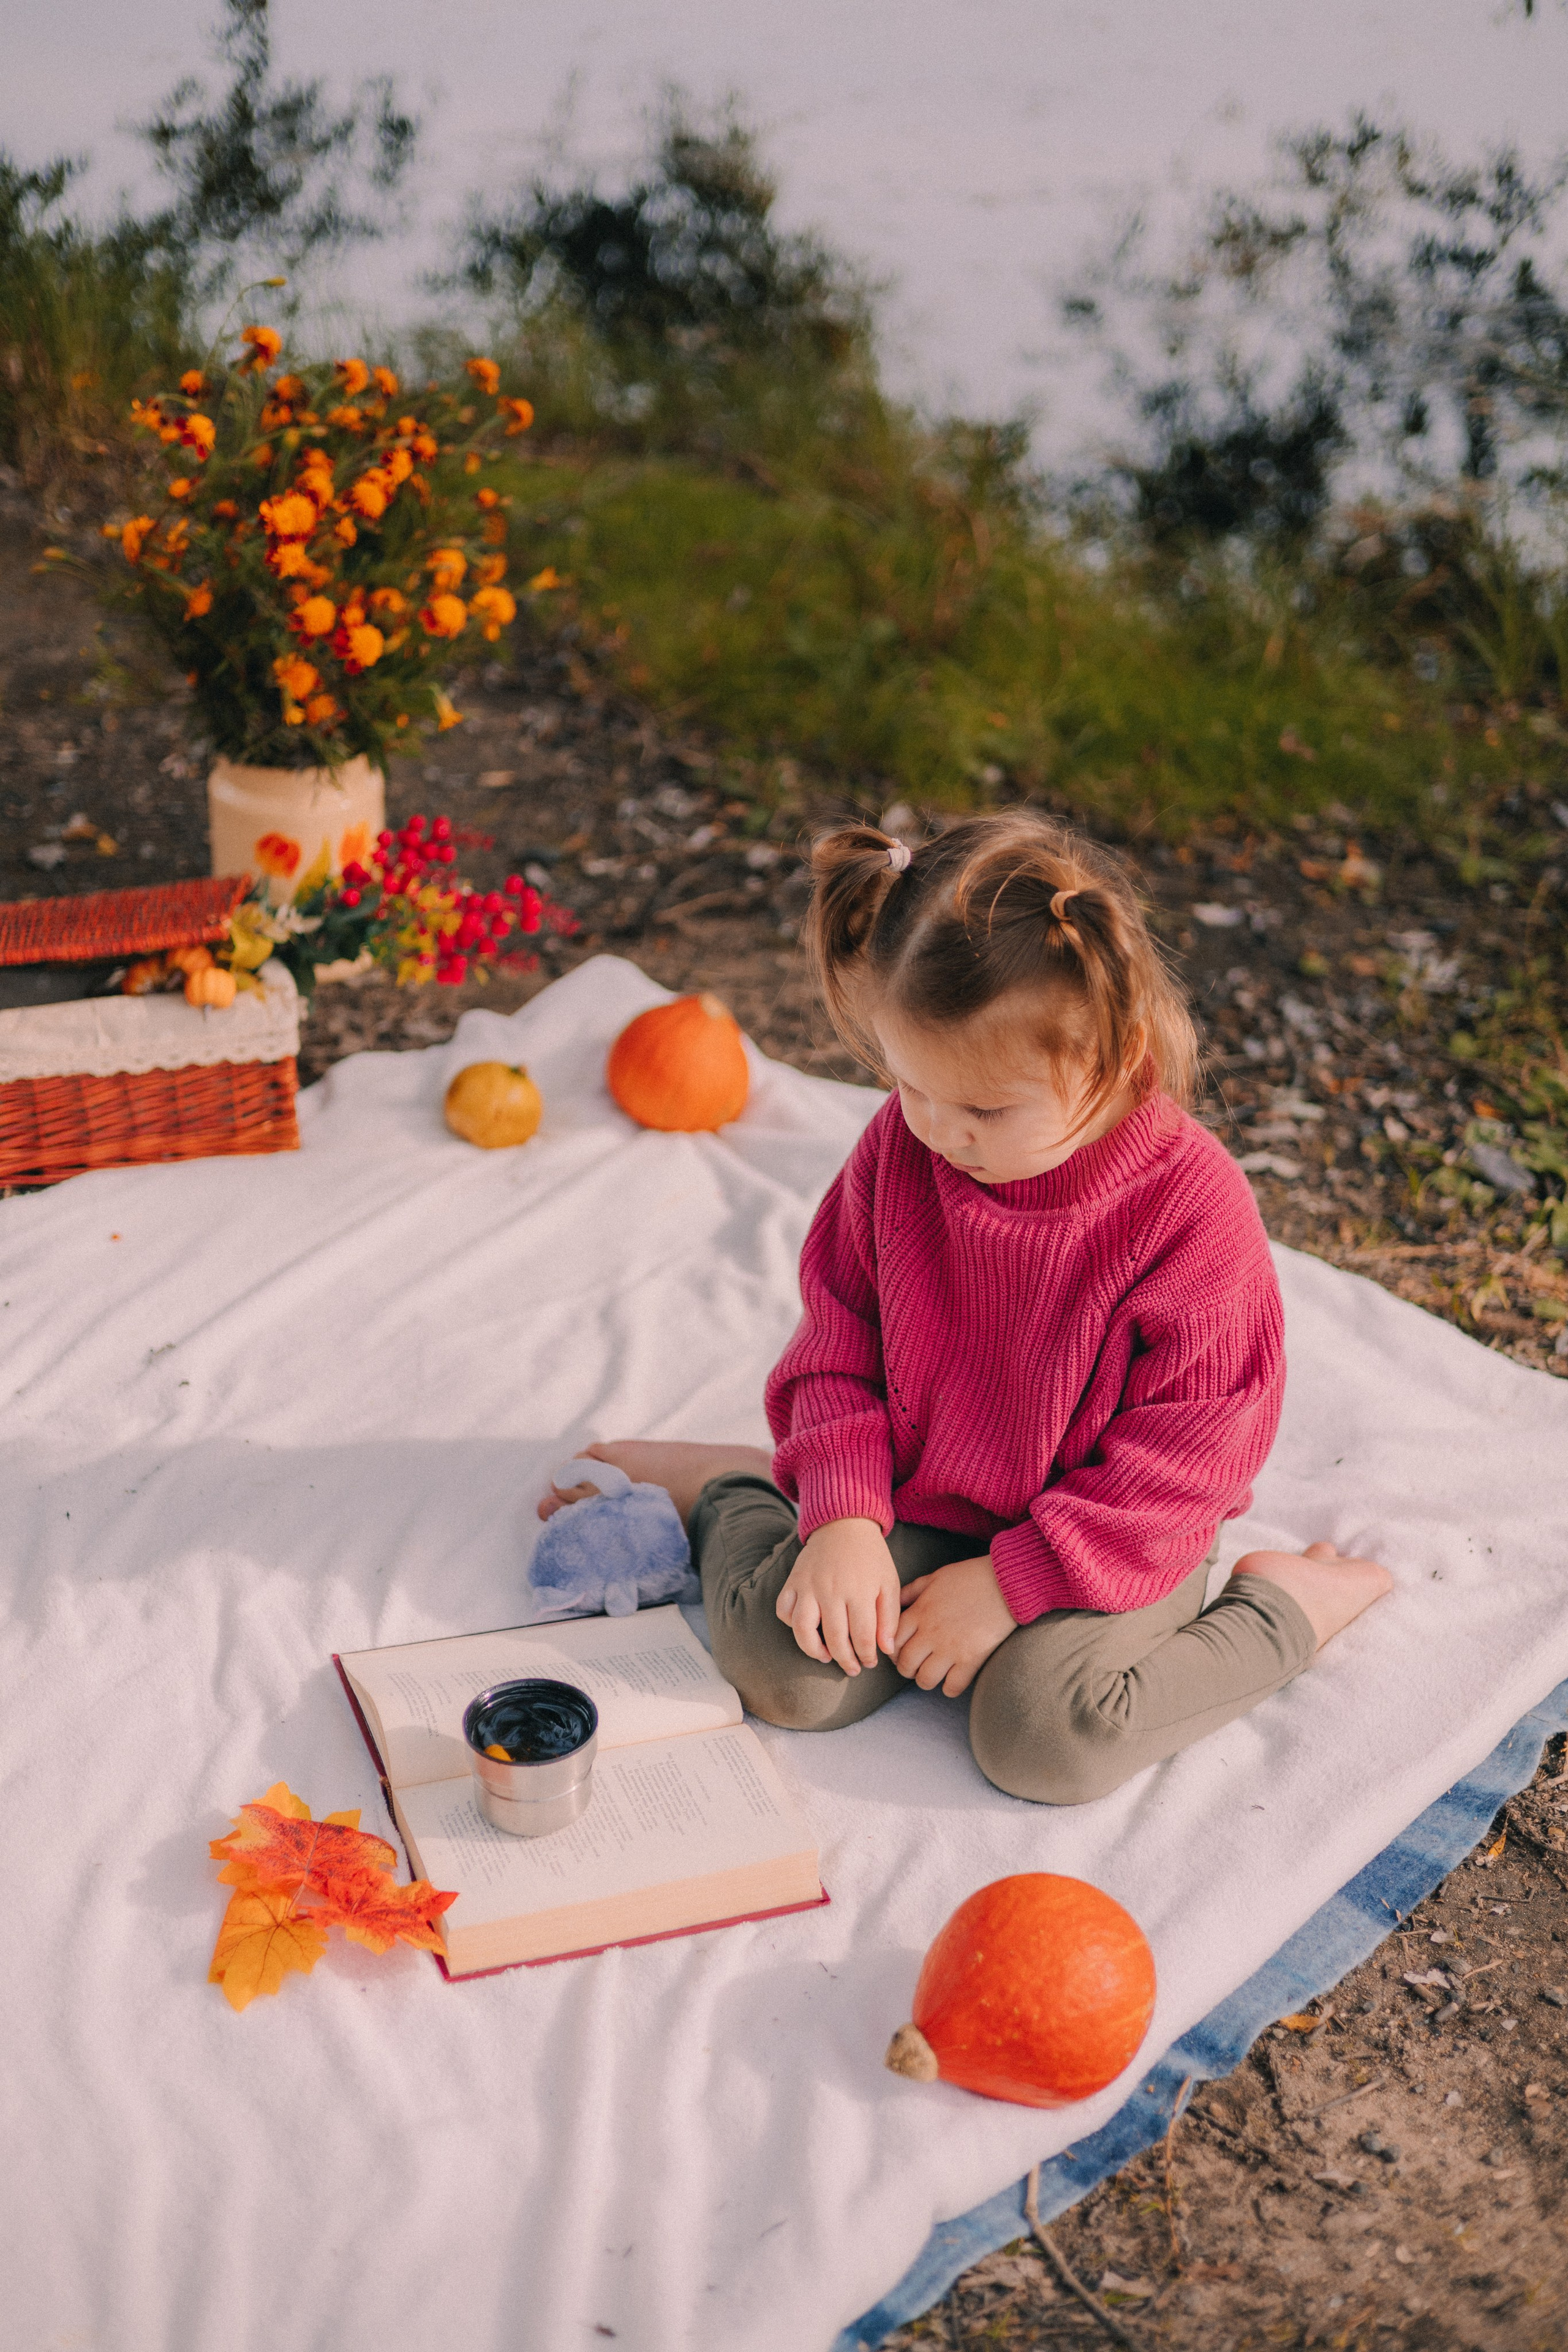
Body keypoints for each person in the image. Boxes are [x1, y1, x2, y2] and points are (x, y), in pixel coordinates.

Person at [540, 811, 1391, 1804]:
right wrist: (848, 1514)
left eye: (985, 1111)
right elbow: (836, 1344)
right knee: (784, 1670)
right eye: (910, 1086)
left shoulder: (1190, 1213)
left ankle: (1286, 1607)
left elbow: (1190, 1460)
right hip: (926, 1493)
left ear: (1110, 1062)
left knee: (1043, 1737)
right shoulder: (905, 1152)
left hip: (1106, 1532)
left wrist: (1014, 1584)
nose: (943, 1134)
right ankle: (746, 1491)